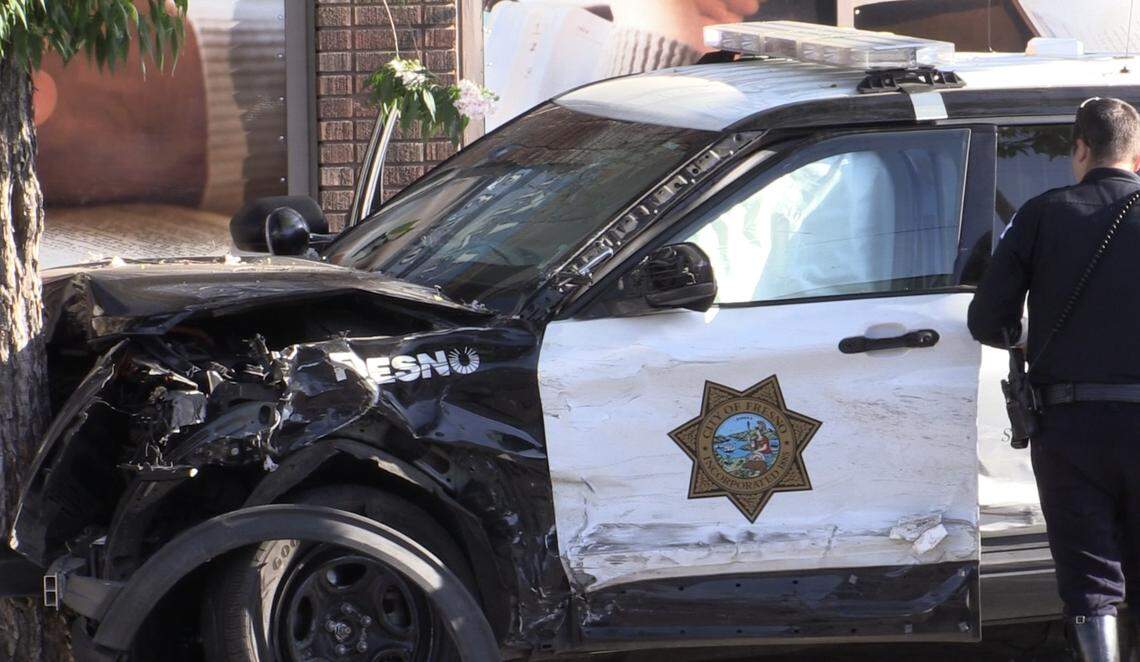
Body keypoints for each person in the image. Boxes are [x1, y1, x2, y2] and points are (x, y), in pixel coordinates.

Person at [968, 97, 1140, 662]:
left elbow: (986, 322)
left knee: (1091, 585)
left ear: (1080, 150)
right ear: (1136, 156)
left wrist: (1030, 337)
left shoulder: (1041, 214)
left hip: (1070, 428)